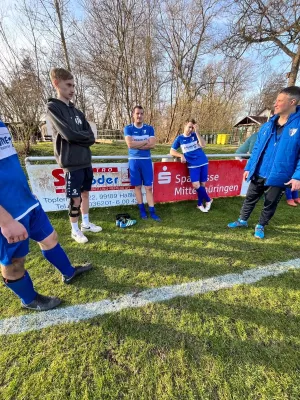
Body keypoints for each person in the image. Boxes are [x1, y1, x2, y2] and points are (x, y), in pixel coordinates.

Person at [0, 120, 92, 311]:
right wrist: (6, 220)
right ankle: (29, 299)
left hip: (27, 202)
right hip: (7, 214)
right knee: (14, 262)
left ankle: (68, 273)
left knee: (50, 238)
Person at [228, 86, 300, 239]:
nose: (276, 104)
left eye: (280, 100)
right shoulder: (267, 126)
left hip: (280, 174)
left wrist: (297, 176)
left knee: (270, 202)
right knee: (250, 198)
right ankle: (242, 220)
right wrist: (249, 166)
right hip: (260, 170)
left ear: (292, 101)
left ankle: (261, 225)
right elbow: (256, 150)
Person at [47, 68, 102, 244]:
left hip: (86, 160)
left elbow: (91, 137)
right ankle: (75, 229)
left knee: (85, 194)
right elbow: (68, 134)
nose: (72, 90)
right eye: (68, 85)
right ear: (57, 84)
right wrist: (82, 138)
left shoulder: (77, 112)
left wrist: (82, 138)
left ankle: (86, 224)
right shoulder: (53, 107)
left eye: (73, 85)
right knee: (74, 198)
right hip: (71, 163)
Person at [124, 105, 160, 221]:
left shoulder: (149, 128)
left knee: (149, 187)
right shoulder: (128, 128)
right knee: (138, 186)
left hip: (146, 161)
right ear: (133, 115)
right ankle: (142, 211)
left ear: (143, 115)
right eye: (137, 113)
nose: (139, 116)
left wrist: (137, 144)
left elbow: (153, 145)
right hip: (134, 161)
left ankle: (152, 211)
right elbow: (130, 145)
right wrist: (145, 142)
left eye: (141, 113)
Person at [170, 119, 212, 212]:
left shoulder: (195, 135)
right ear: (184, 126)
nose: (190, 129)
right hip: (192, 165)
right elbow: (171, 151)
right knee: (196, 185)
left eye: (192, 127)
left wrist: (197, 132)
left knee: (203, 184)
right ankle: (208, 200)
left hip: (203, 162)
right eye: (189, 127)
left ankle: (200, 204)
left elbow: (203, 145)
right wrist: (181, 155)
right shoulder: (179, 138)